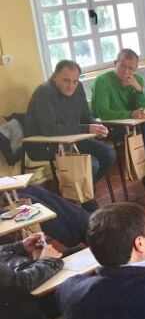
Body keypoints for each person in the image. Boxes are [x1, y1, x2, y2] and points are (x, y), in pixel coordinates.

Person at [25, 59, 116, 211]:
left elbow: (86, 117)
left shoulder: (78, 87)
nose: (71, 86)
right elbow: (50, 130)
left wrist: (98, 126)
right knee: (90, 165)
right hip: (44, 145)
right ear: (54, 77)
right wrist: (86, 128)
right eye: (66, 81)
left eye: (75, 81)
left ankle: (84, 189)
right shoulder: (44, 92)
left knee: (109, 154)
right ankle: (88, 203)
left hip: (72, 139)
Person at [90, 48, 145, 186]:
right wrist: (131, 114)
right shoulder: (102, 81)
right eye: (122, 66)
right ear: (115, 63)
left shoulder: (137, 80)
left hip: (131, 123)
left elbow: (144, 108)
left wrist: (139, 90)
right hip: (108, 126)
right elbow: (102, 113)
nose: (126, 71)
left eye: (131, 68)